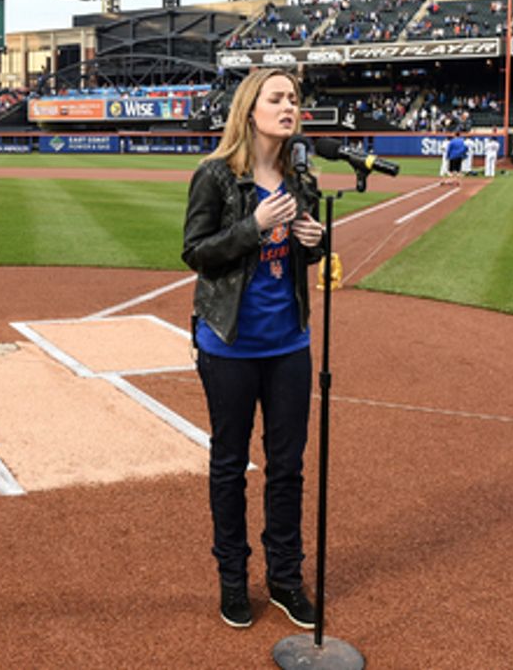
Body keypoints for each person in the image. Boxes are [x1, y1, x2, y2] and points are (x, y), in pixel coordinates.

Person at [181, 68, 326, 631]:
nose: (289, 106)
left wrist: (312, 244)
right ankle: (234, 581)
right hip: (230, 343)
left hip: (289, 342)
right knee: (229, 465)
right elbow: (195, 252)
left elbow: (300, 259)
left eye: (294, 98)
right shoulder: (215, 177)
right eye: (278, 97)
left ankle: (286, 579)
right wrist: (255, 225)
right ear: (250, 109)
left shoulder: (302, 180)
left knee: (286, 467)